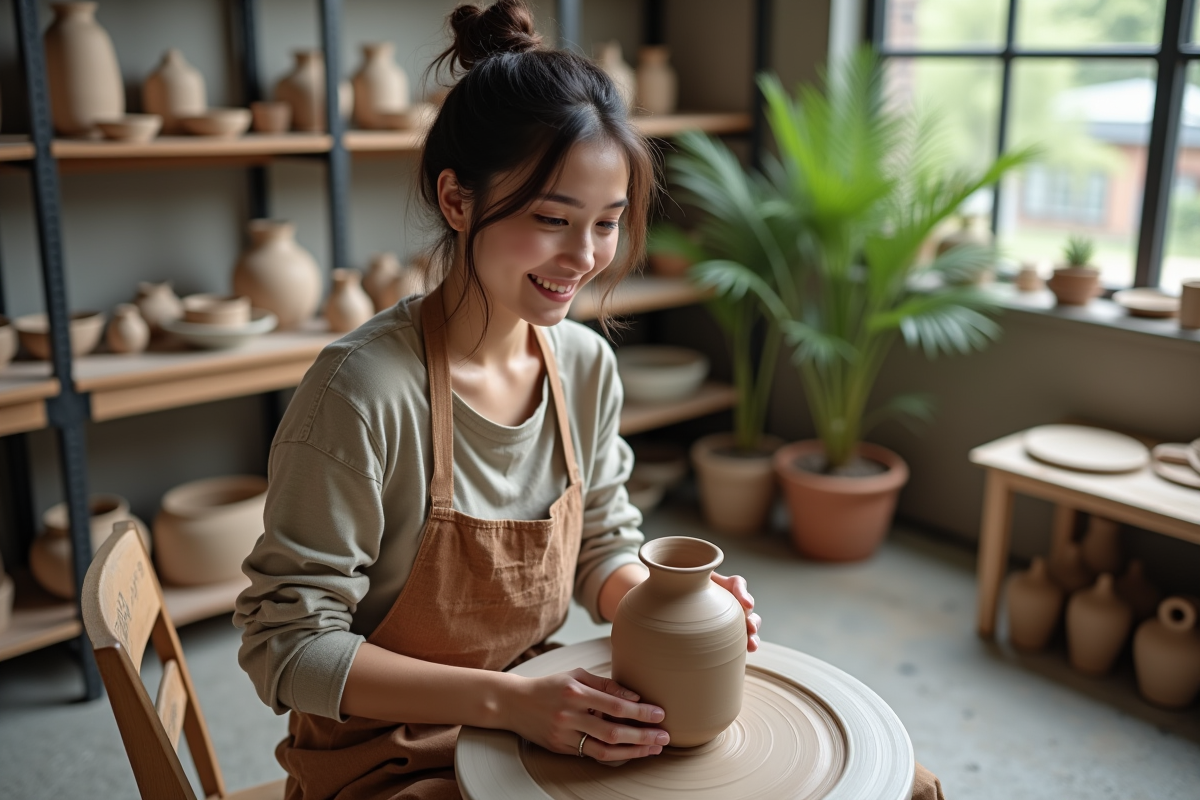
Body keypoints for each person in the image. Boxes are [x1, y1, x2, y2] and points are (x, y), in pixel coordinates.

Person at [234, 2, 760, 798]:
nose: (582, 258)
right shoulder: (363, 393)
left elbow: (599, 546)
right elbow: (286, 646)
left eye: (608, 225)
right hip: (384, 753)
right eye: (552, 219)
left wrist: (662, 602)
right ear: (456, 201)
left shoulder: (584, 366)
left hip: (535, 707)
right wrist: (509, 702)